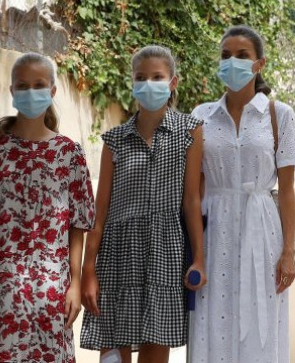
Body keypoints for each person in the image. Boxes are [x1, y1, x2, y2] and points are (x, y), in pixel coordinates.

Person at [0, 52, 95, 363]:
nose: (31, 92)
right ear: (12, 91)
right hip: (0, 290)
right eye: (23, 85)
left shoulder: (69, 154)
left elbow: (78, 226)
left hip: (51, 292)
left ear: (53, 92)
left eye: (39, 85)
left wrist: (73, 285)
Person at [80, 45, 207, 363]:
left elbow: (191, 201)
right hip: (117, 255)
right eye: (141, 77)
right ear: (132, 83)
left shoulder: (190, 132)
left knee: (154, 351)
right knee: (112, 356)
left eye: (157, 77)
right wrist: (88, 270)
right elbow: (100, 212)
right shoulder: (114, 141)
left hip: (165, 251)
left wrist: (200, 259)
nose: (148, 83)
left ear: (173, 83)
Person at [189, 25, 295, 362]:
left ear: (259, 64)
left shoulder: (279, 115)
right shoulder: (200, 116)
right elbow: (193, 191)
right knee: (212, 320)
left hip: (263, 231)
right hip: (214, 234)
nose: (232, 62)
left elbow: (287, 191)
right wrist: (195, 252)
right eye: (225, 56)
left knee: (260, 321)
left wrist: (289, 252)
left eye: (241, 56)